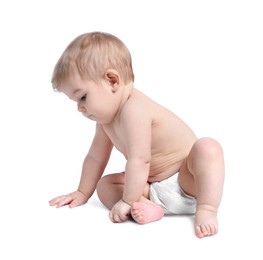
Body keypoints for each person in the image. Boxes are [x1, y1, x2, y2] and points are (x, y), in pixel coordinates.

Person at [49, 32, 225, 239]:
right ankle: (147, 206)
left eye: (83, 97)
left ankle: (207, 208)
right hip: (150, 187)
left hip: (187, 180)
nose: (80, 108)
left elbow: (140, 160)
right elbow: (95, 158)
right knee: (105, 185)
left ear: (112, 81)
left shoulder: (135, 109)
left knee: (207, 147)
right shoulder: (106, 122)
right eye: (75, 102)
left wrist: (127, 200)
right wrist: (82, 192)